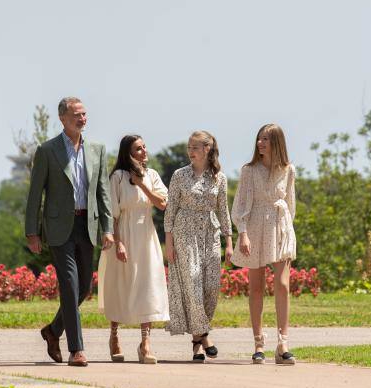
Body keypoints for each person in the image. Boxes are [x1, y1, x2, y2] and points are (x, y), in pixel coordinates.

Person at [25, 97, 114, 367]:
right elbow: (35, 194)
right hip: (58, 228)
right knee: (69, 285)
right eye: (77, 114)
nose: (82, 119)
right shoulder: (47, 150)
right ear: (63, 118)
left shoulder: (97, 149)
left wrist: (108, 228)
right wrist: (32, 231)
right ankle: (77, 350)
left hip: (87, 225)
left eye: (84, 114)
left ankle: (53, 331)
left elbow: (103, 192)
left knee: (84, 287)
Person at [98, 135, 169, 364]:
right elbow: (112, 214)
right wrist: (118, 242)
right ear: (128, 153)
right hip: (124, 234)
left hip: (146, 235)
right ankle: (114, 335)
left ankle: (145, 342)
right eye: (139, 148)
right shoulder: (118, 177)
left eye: (144, 147)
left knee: (147, 285)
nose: (144, 151)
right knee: (120, 283)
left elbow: (162, 203)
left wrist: (141, 184)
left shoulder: (152, 175)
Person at [164, 130, 233, 362]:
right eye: (189, 147)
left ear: (207, 149)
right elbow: (170, 210)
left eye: (195, 147)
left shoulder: (219, 178)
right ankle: (205, 336)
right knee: (193, 284)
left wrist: (229, 241)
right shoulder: (179, 175)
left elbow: (223, 211)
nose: (190, 151)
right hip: (185, 233)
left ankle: (197, 341)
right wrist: (169, 243)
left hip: (210, 235)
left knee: (211, 288)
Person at [231, 123, 296, 365]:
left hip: (280, 226)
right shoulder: (249, 171)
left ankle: (283, 342)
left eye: (266, 139)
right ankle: (258, 343)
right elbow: (239, 206)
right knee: (256, 287)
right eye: (259, 139)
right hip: (255, 227)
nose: (260, 143)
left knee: (282, 284)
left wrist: (288, 231)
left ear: (277, 142)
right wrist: (243, 233)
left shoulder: (289, 170)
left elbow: (290, 204)